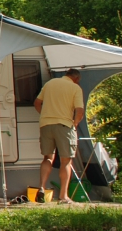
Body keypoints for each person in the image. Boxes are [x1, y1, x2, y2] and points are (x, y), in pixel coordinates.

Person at [34, 68, 85, 204]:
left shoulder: (50, 83)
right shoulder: (75, 88)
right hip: (64, 125)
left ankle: (42, 188)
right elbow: (79, 110)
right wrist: (74, 123)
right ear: (76, 79)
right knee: (66, 161)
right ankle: (63, 196)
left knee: (47, 158)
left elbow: (37, 103)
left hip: (46, 124)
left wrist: (45, 115)